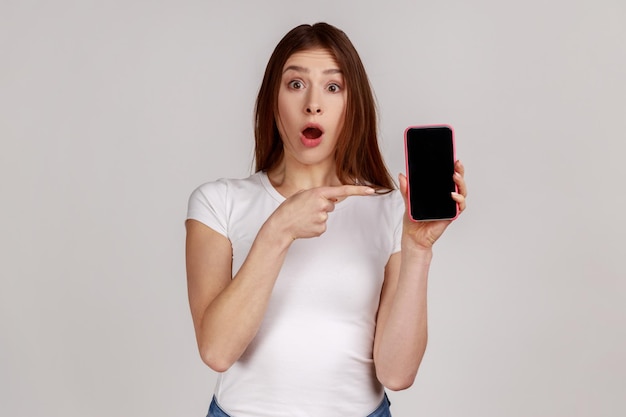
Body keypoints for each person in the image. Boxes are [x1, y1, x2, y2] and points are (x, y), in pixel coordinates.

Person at [185, 22, 467, 417]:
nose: (313, 104)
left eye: (333, 87)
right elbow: (216, 350)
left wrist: (417, 250)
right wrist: (279, 230)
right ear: (272, 101)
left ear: (353, 106)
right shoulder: (218, 203)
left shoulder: (388, 209)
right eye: (296, 84)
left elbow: (397, 373)